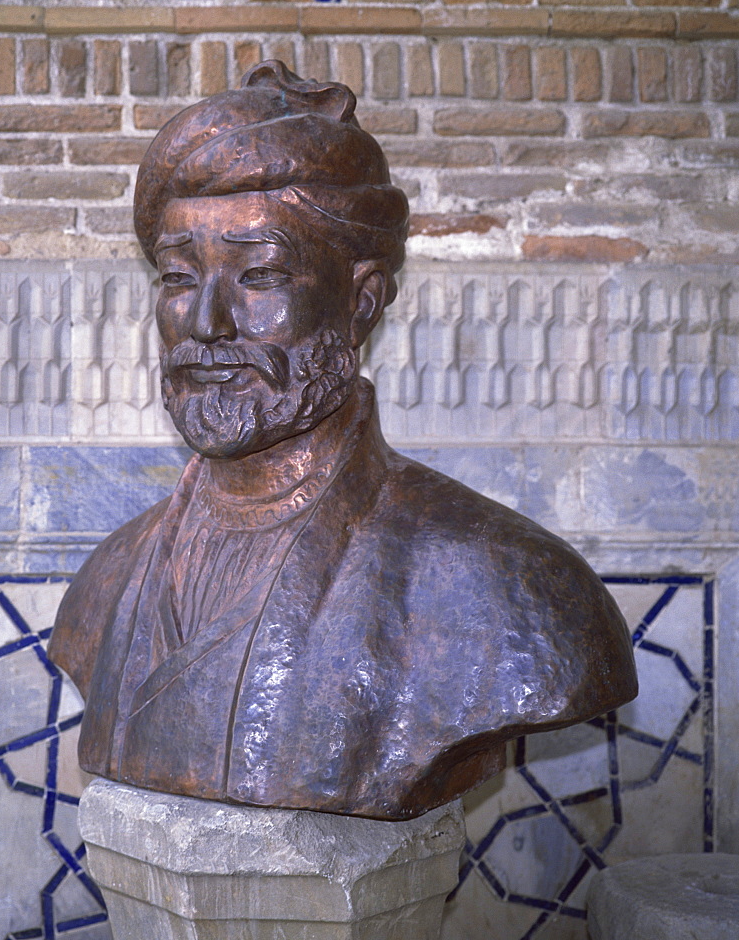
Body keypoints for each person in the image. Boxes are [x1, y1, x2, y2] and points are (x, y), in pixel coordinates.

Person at [48, 60, 637, 821]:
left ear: (359, 303)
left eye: (258, 277)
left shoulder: (509, 589)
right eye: (178, 277)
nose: (206, 326)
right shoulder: (107, 582)